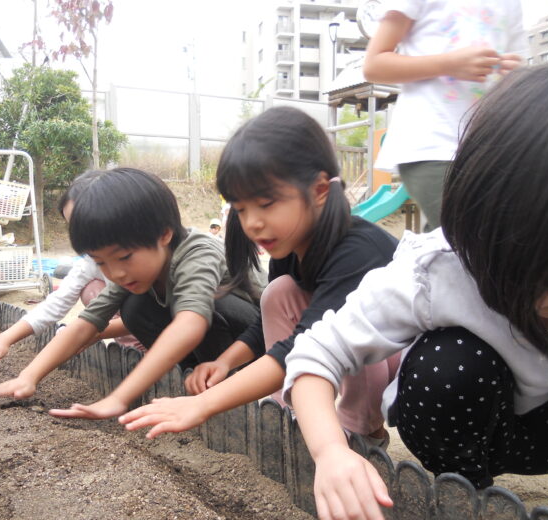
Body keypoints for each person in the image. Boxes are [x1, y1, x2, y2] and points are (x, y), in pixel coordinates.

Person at [282, 66, 548, 520]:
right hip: (484, 423)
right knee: (446, 364)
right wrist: (331, 452)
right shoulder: (437, 269)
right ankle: (466, 501)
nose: (543, 301)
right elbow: (314, 353)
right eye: (519, 276)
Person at [120, 106, 399, 447]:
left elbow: (300, 345)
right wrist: (224, 362)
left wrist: (201, 404)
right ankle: (284, 413)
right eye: (240, 209)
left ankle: (363, 428)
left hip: (407, 356)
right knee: (278, 292)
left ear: (320, 190)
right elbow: (267, 329)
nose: (251, 223)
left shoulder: (357, 250)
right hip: (339, 346)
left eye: (266, 204)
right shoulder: (292, 245)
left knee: (348, 320)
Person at [0, 167, 260, 421]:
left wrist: (119, 397)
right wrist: (28, 377)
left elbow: (190, 324)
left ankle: (229, 383)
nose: (116, 273)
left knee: (208, 304)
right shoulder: (133, 269)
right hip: (208, 338)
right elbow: (85, 324)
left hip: (253, 339)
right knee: (135, 306)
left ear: (163, 234)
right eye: (101, 263)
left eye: (124, 257)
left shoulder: (196, 253)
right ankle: (191, 376)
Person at [363, 0, 526, 232]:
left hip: (490, 147)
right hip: (432, 144)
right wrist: (448, 64)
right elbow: (374, 64)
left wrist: (516, 71)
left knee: (458, 243)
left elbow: (522, 66)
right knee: (471, 236)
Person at [0, 187, 141, 368]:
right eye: (73, 225)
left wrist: (93, 332)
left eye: (85, 221)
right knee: (92, 291)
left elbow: (148, 312)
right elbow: (56, 303)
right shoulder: (90, 262)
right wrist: (3, 340)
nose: (81, 232)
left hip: (157, 324)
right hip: (134, 322)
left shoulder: (144, 259)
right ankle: (134, 355)